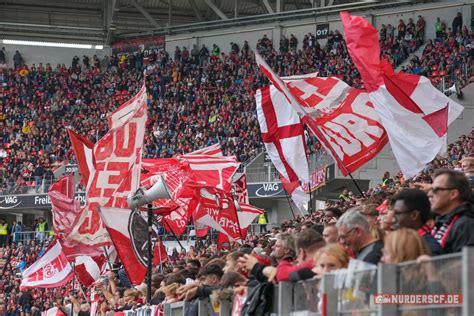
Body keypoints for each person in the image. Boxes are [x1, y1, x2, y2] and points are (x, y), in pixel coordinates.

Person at [429, 169, 474, 253]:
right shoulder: (442, 221)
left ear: (453, 194)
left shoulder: (466, 225)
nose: (430, 194)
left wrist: (430, 265)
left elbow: (467, 264)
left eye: (435, 190)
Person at [392, 189, 442, 255]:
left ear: (414, 215)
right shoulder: (405, 242)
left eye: (397, 213)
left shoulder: (429, 249)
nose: (393, 219)